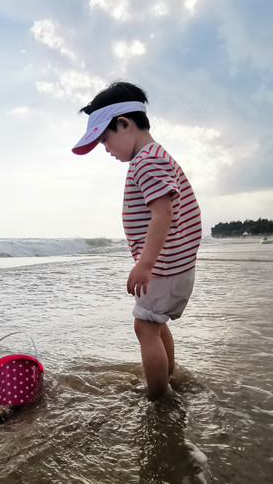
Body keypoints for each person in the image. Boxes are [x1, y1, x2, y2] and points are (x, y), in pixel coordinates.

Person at [72, 81, 202, 400]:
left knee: (144, 328)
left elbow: (162, 215)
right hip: (173, 267)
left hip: (163, 268)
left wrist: (145, 264)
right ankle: (167, 378)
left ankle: (158, 396)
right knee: (154, 325)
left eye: (105, 139)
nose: (106, 149)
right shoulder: (155, 157)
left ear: (125, 124)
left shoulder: (147, 160)